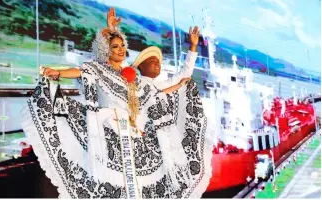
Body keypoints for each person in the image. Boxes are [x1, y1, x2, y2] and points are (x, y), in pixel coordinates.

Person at [21, 8, 213, 199]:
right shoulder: (98, 69)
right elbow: (79, 71)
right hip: (108, 136)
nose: (121, 50)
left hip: (134, 140)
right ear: (106, 50)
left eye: (122, 46)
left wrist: (180, 84)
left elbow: (155, 93)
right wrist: (58, 72)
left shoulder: (132, 78)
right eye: (115, 46)